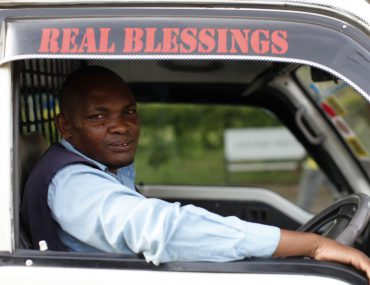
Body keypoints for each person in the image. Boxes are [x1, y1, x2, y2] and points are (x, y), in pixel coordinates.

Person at [21, 66, 370, 279]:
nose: (122, 127)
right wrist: (313, 245)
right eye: (99, 116)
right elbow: (163, 231)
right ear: (65, 126)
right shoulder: (73, 184)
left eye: (129, 112)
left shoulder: (95, 166)